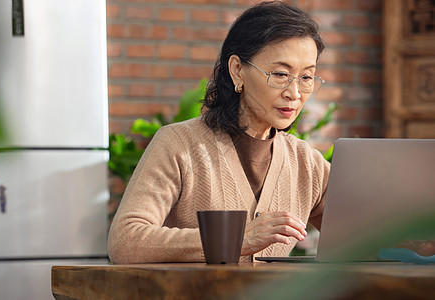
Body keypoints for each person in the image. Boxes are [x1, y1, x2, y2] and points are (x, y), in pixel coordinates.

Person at [108, 1, 330, 264]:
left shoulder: (307, 163)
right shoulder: (178, 144)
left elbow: (367, 238)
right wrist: (235, 239)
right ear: (237, 70)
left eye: (306, 78)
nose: (294, 93)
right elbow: (126, 240)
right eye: (281, 74)